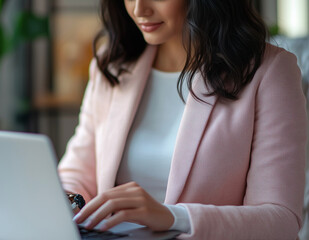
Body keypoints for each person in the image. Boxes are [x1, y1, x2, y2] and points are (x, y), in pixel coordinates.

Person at [58, 0, 307, 239]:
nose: (139, 9)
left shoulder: (270, 72)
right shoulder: (112, 66)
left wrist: (174, 218)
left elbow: (280, 220)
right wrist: (61, 200)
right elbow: (78, 174)